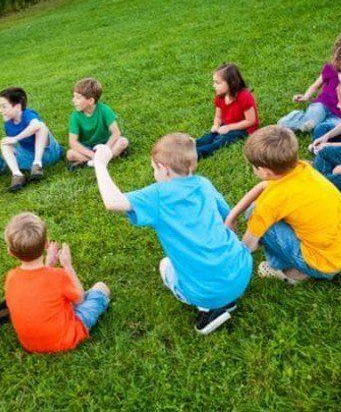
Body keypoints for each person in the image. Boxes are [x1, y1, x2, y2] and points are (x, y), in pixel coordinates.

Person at [93, 134, 252, 334]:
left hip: (207, 291)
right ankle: (226, 298)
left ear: (163, 168)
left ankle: (210, 309)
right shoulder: (203, 183)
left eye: (153, 169)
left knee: (166, 265)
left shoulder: (158, 195)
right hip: (241, 270)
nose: (154, 174)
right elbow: (229, 220)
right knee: (207, 266)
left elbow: (112, 202)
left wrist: (100, 164)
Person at [225, 126, 341, 284]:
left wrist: (225, 260)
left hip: (324, 265)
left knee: (255, 216)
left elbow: (246, 247)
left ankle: (285, 270)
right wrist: (232, 216)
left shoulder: (271, 202)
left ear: (264, 171)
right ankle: (304, 264)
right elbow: (264, 185)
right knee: (258, 212)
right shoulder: (303, 169)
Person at [4, 212, 110, 352]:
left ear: (10, 252)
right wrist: (68, 266)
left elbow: (37, 287)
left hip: (30, 345)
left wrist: (48, 266)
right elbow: (80, 298)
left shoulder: (11, 277)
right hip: (65, 339)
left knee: (55, 300)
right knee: (101, 287)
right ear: (46, 243)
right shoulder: (58, 276)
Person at [278, 30, 341, 133]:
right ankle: (292, 119)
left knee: (330, 128)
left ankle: (322, 127)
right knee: (310, 123)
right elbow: (316, 85)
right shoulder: (330, 68)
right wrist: (306, 96)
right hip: (323, 104)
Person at [0, 87, 63, 192]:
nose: (0, 110)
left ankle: (37, 164)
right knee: (4, 142)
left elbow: (36, 125)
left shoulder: (28, 114)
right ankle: (17, 175)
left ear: (18, 107)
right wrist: (10, 153)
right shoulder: (8, 125)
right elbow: (15, 145)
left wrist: (16, 138)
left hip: (48, 154)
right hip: (28, 159)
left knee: (40, 126)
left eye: (4, 106)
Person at [195, 63, 259, 159]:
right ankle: (189, 146)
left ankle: (197, 153)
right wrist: (216, 125)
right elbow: (218, 116)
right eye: (214, 82)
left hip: (244, 128)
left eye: (218, 83)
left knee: (222, 140)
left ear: (232, 83)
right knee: (209, 136)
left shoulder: (244, 97)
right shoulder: (220, 96)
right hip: (227, 125)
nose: (214, 85)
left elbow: (250, 121)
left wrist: (229, 127)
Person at [66, 77, 129, 170]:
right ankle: (103, 160)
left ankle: (90, 163)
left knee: (123, 141)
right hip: (88, 148)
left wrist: (105, 149)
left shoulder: (104, 110)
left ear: (90, 101)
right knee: (70, 154)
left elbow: (116, 133)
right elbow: (73, 142)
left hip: (106, 144)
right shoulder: (75, 116)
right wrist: (91, 154)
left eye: (78, 98)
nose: (73, 100)